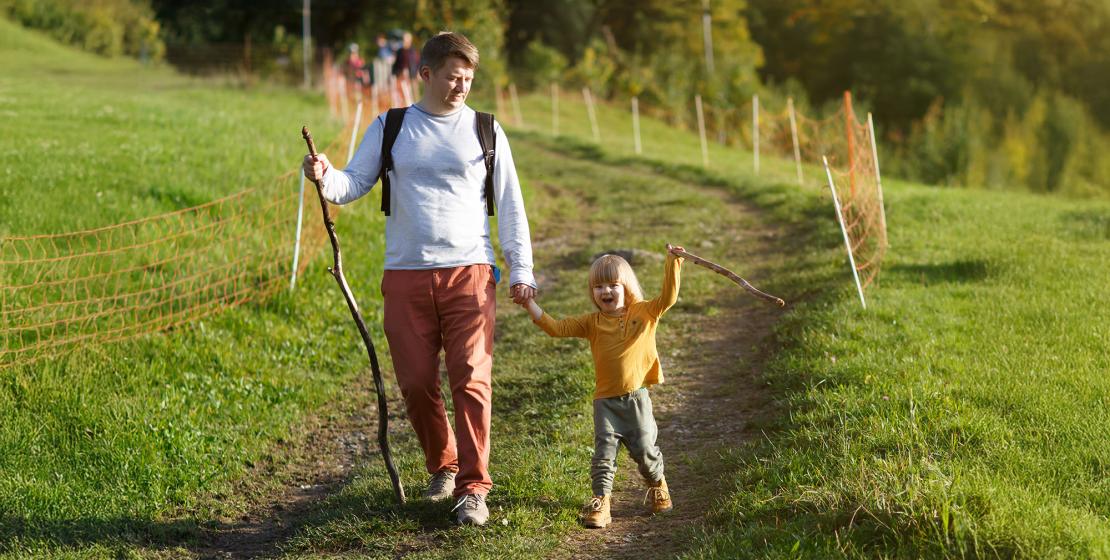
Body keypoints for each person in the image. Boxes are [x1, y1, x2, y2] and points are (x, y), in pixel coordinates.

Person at [303, 31, 537, 526]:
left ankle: (474, 489)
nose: (461, 87)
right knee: (413, 383)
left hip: (470, 273)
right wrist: (324, 174)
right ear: (426, 75)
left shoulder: (485, 130)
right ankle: (443, 465)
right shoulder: (392, 127)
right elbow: (353, 183)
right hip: (406, 274)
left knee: (471, 381)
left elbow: (511, 204)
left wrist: (522, 269)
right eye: (453, 77)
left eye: (469, 78)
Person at [520, 245, 685, 528]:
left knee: (645, 451)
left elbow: (669, 297)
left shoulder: (645, 312)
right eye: (598, 287)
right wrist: (528, 305)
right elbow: (556, 328)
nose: (605, 291)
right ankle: (601, 501)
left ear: (627, 287)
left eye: (612, 285)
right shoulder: (591, 323)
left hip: (636, 400)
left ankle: (657, 483)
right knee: (603, 456)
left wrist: (674, 261)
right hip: (605, 403)